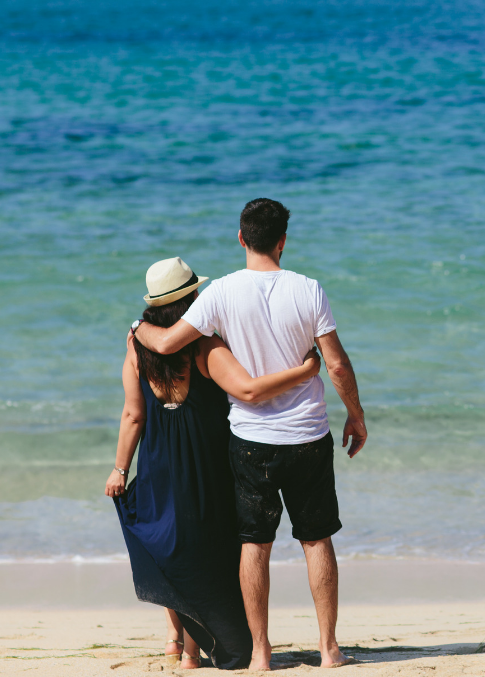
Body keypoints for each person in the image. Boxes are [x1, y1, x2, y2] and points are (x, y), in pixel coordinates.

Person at [133, 198, 366, 670]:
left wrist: (138, 326)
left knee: (253, 544)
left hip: (251, 441)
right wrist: (356, 415)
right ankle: (329, 649)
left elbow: (164, 343)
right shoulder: (308, 289)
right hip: (307, 435)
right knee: (317, 540)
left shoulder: (219, 293)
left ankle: (261, 653)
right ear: (283, 241)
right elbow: (336, 364)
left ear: (241, 238)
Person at [107, 256, 323, 669]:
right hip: (205, 465)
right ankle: (190, 651)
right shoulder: (204, 344)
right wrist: (304, 370)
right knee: (206, 548)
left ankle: (176, 640)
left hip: (156, 461)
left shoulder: (137, 344)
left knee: (168, 545)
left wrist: (120, 469)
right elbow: (248, 390)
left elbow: (133, 414)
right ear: (191, 298)